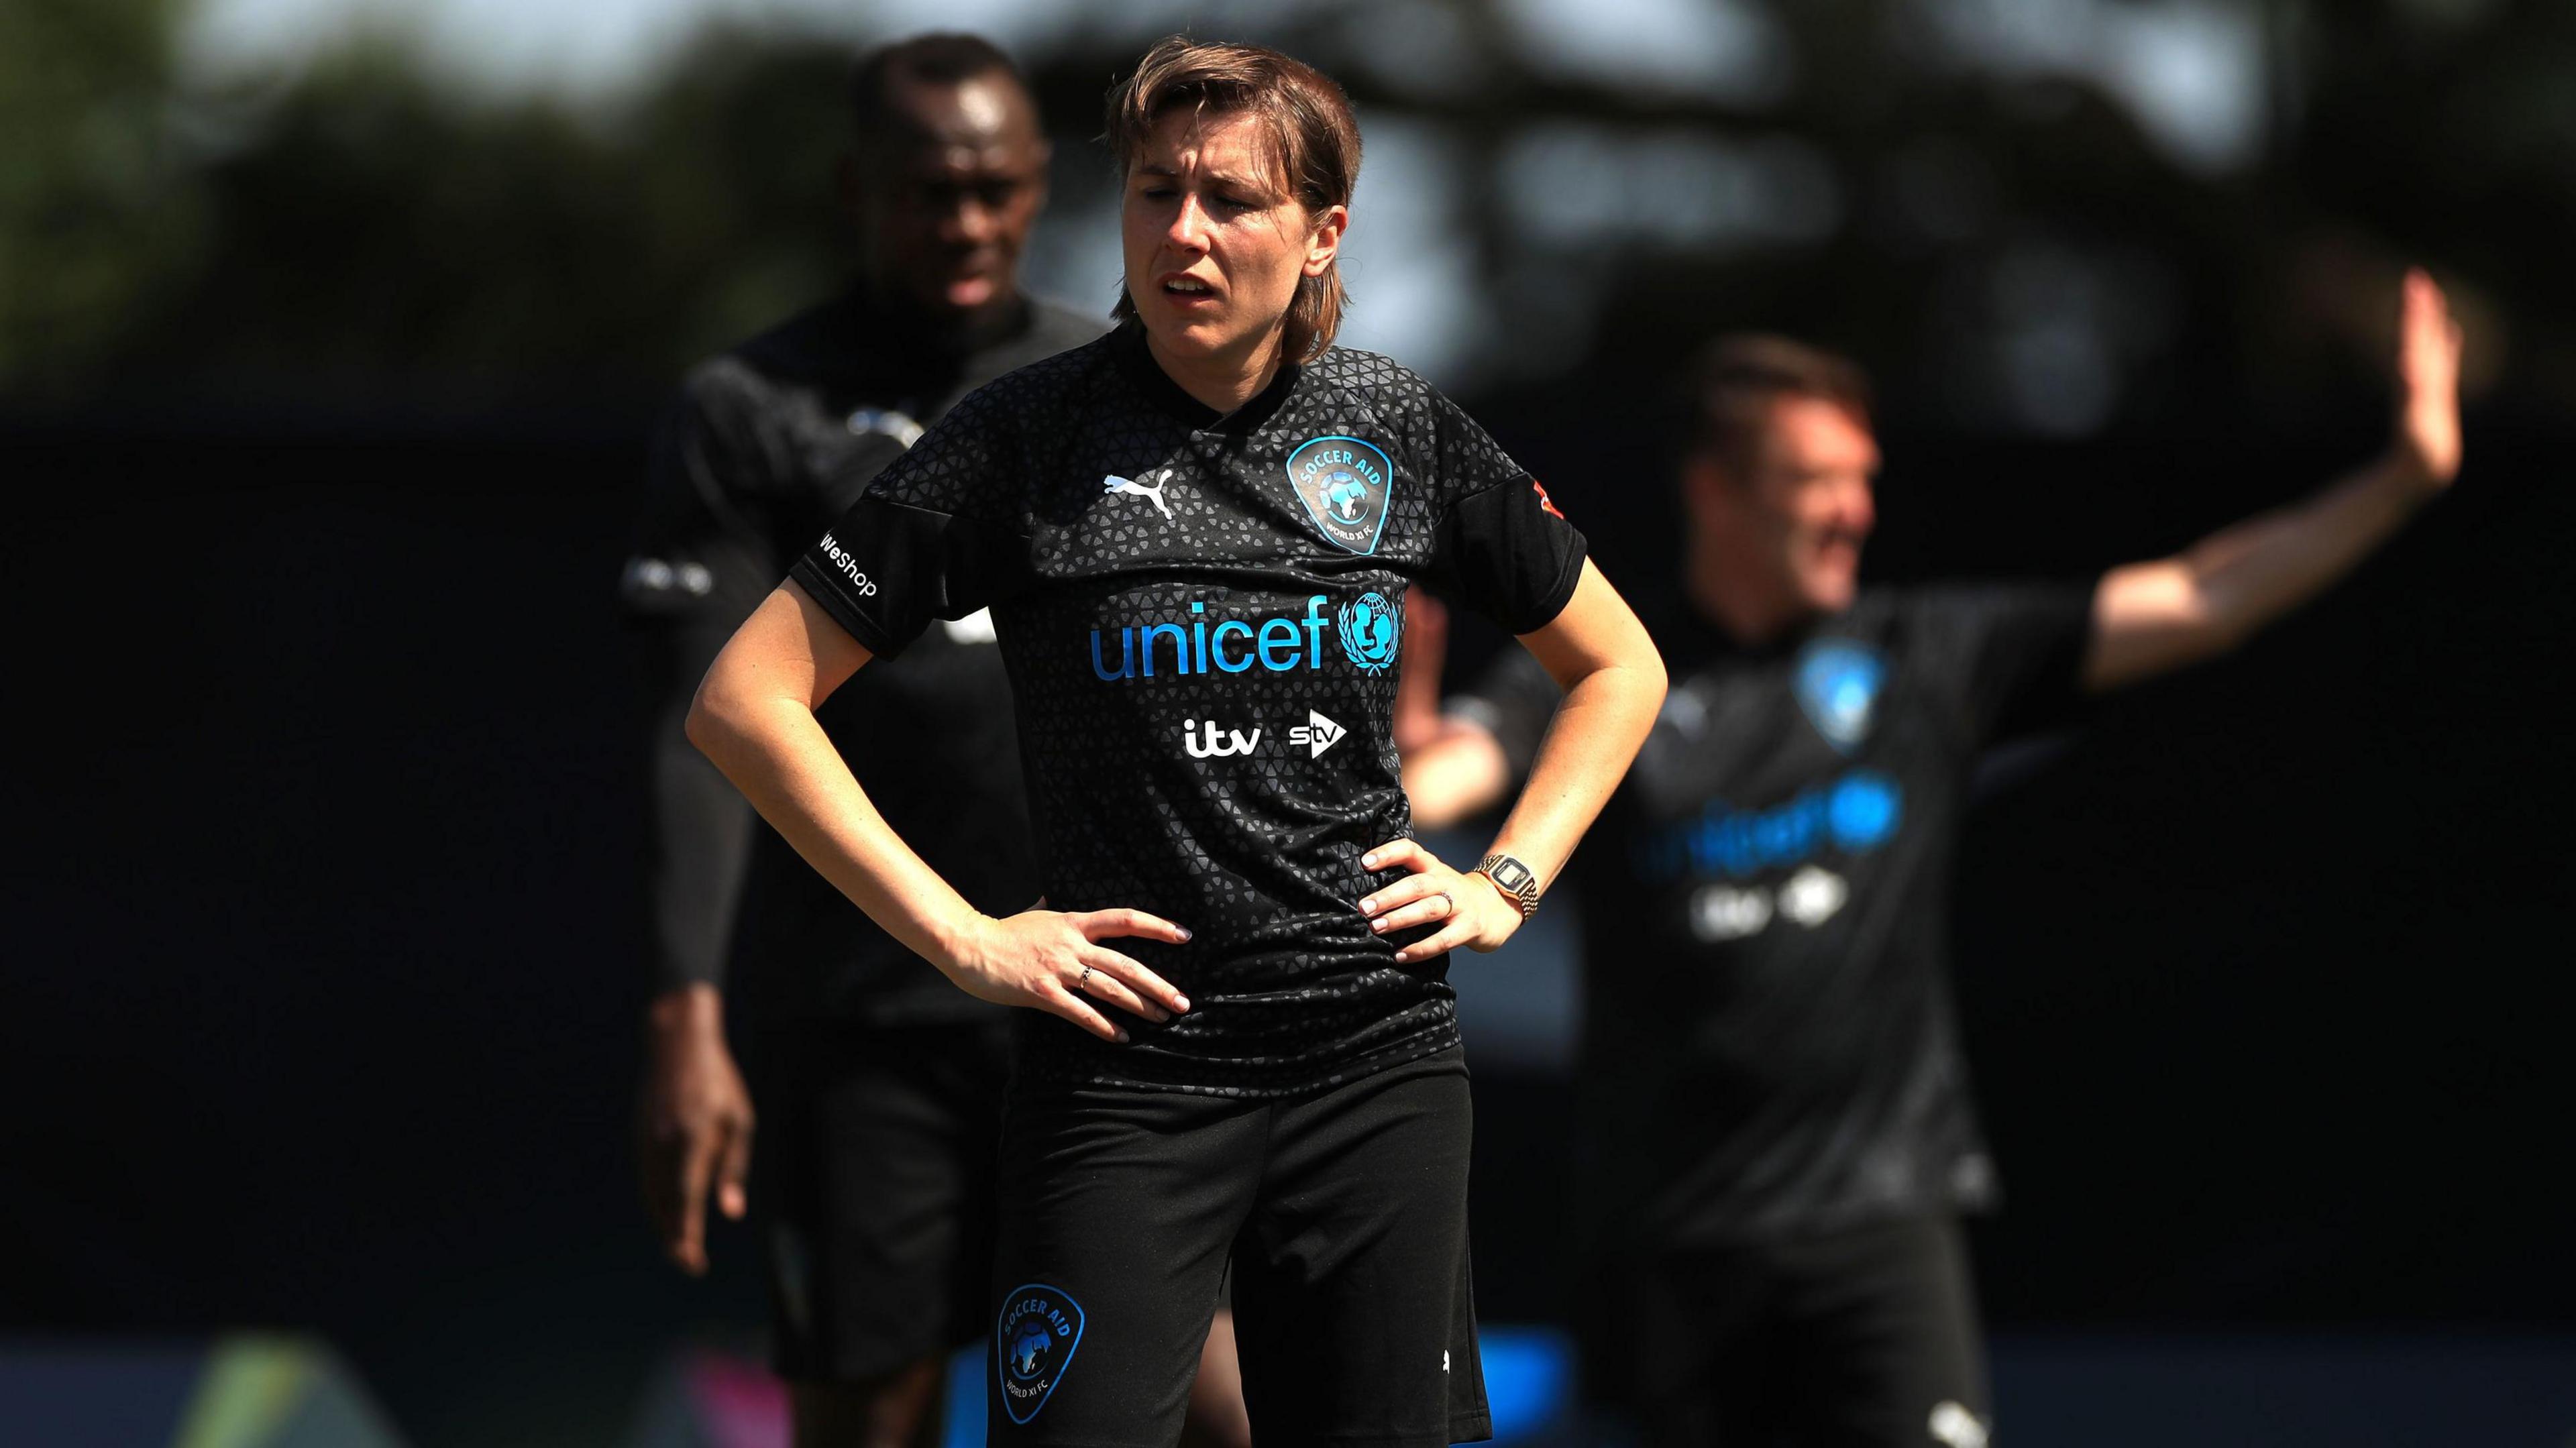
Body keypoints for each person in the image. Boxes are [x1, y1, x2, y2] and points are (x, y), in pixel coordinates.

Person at [684, 35, 1668, 1447]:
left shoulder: (1399, 425)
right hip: (1124, 1084)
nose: (1184, 233)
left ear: (1324, 233)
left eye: (1230, 199)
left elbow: (1619, 666)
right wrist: (966, 936)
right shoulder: (1019, 437)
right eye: (1156, 193)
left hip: (1374, 1065)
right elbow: (745, 699)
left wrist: (1502, 884)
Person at [1403, 273, 2465, 1447]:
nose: (1854, 510)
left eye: (1863, 480)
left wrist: (2404, 477)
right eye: (1815, 482)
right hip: (1671, 1245)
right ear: (1715, 491)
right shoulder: (1621, 672)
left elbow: (2206, 596)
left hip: (1882, 1230)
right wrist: (1394, 787)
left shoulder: (1926, 660)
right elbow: (1462, 765)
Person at [625, 34, 1250, 1448]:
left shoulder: (1116, 384)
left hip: (1104, 996)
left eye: (997, 187)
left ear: (1041, 186)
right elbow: (702, 724)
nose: (966, 222)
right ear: (859, 188)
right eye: (928, 191)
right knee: (871, 1420)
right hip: (866, 1020)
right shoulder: (751, 412)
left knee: (1218, 1407)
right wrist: (687, 1014)